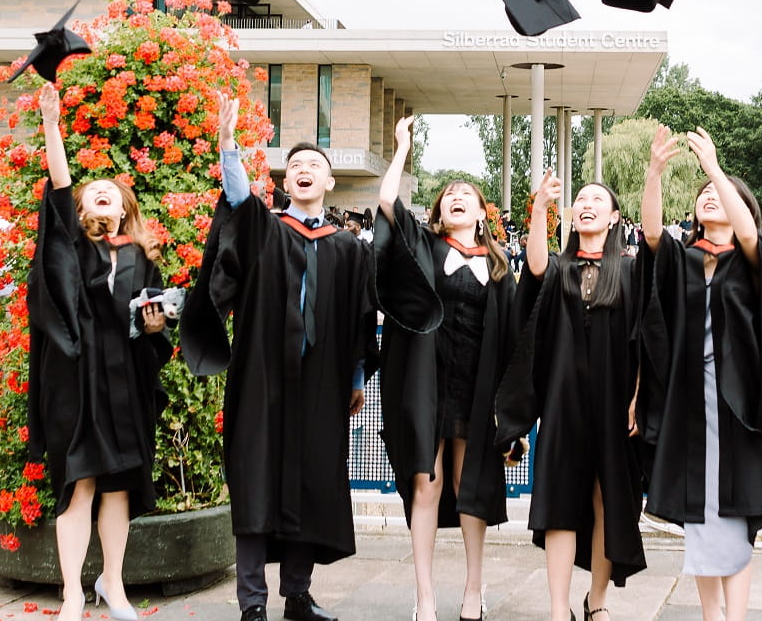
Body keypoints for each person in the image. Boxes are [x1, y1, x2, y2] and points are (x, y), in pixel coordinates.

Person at [181, 92, 378, 621]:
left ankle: (296, 595)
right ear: (286, 183)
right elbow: (240, 202)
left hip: (322, 382)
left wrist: (357, 377)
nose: (305, 170)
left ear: (330, 182)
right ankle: (252, 603)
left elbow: (361, 320)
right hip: (264, 377)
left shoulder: (349, 249)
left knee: (310, 483)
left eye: (315, 164)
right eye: (295, 166)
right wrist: (229, 147)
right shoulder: (266, 231)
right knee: (256, 479)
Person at [28, 84, 172, 621]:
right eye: (96, 191)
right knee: (78, 484)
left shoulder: (141, 259)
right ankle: (71, 592)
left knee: (119, 487)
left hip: (124, 385)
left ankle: (113, 583)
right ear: (85, 206)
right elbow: (61, 185)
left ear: (126, 207)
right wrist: (51, 126)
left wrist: (156, 326)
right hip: (78, 382)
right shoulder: (72, 245)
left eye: (114, 191)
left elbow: (151, 329)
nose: (104, 194)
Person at [496, 169, 663, 621]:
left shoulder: (628, 271)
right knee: (559, 506)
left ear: (612, 219)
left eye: (597, 200)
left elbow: (644, 334)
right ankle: (556, 610)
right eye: (580, 200)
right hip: (562, 404)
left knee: (608, 503)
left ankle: (597, 601)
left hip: (614, 406)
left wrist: (635, 396)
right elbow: (532, 267)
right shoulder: (558, 270)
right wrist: (539, 208)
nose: (586, 204)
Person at [638, 125, 762, 621]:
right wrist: (655, 173)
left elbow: (747, 233)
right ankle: (711, 615)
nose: (708, 198)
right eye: (702, 195)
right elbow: (653, 234)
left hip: (737, 399)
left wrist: (714, 169)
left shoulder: (751, 259)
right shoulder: (685, 259)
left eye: (718, 195)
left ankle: (735, 617)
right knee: (699, 512)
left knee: (736, 509)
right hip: (689, 398)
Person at [376, 116, 518, 621]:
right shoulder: (424, 248)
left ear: (482, 212)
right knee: (427, 482)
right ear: (439, 211)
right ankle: (425, 596)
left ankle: (474, 591)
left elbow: (514, 343)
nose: (456, 197)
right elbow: (388, 207)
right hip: (427, 382)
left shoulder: (501, 267)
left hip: (475, 387)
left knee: (471, 484)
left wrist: (513, 415)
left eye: (466, 194)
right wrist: (400, 149)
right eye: (447, 194)